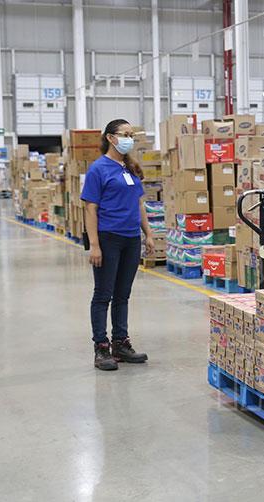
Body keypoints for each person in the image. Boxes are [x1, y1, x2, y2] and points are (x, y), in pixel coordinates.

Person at [81, 119, 153, 371]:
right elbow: (90, 208)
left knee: (123, 294)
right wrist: (94, 244)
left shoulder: (129, 167)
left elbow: (139, 204)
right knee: (103, 294)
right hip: (108, 238)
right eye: (125, 134)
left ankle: (120, 343)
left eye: (131, 134)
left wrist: (148, 234)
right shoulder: (98, 169)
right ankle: (101, 347)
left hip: (131, 238)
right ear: (110, 138)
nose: (129, 139)